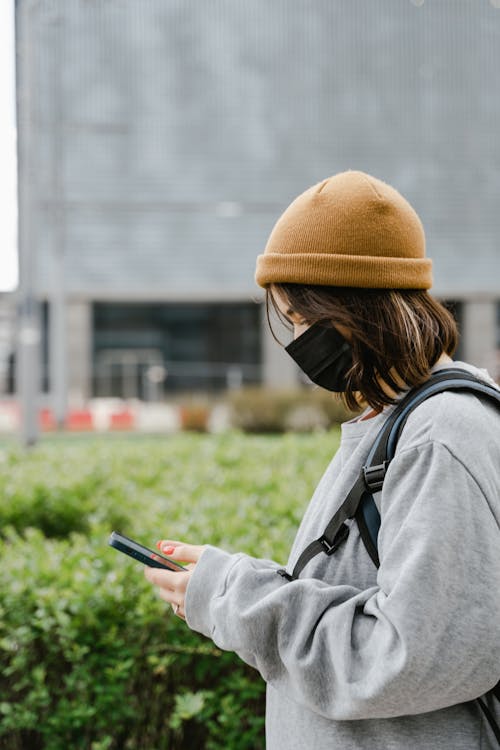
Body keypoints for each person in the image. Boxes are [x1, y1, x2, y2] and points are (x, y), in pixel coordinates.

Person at [145, 170, 500, 749]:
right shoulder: (392, 422)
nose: (299, 341)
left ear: (353, 309)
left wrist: (236, 596)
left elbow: (408, 656)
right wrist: (230, 581)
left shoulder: (441, 437)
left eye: (303, 320)